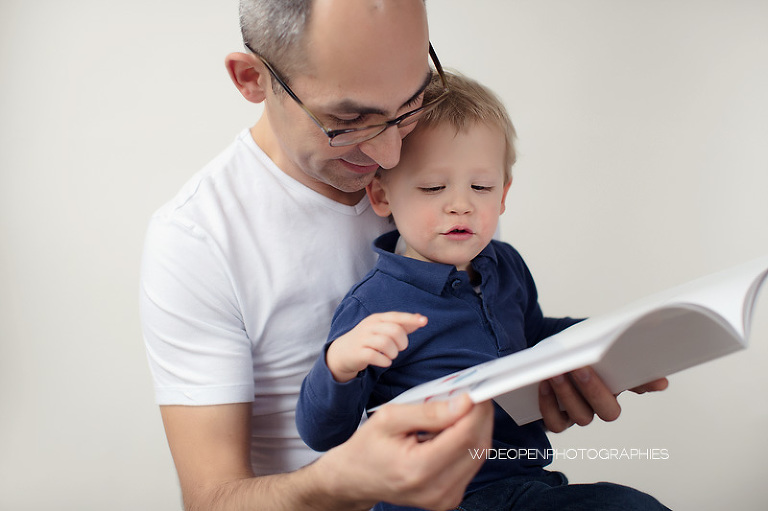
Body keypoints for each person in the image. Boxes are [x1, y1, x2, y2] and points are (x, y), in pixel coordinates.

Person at [139, 1, 666, 510]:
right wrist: (341, 483)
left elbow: (506, 339)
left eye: (409, 104)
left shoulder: (443, 169)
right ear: (252, 79)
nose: (390, 155)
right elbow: (211, 502)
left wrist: (576, 360)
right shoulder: (196, 238)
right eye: (349, 121)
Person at [295, 71, 670, 510]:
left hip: (522, 483)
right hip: (430, 500)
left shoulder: (505, 264)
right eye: (434, 187)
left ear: (504, 194)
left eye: (481, 187)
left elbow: (533, 339)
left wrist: (610, 341)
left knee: (631, 505)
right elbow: (322, 433)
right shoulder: (376, 303)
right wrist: (339, 366)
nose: (461, 203)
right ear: (381, 195)